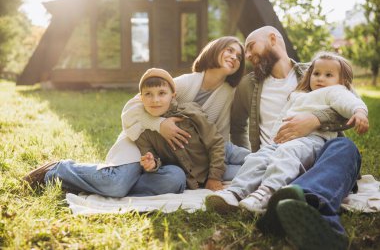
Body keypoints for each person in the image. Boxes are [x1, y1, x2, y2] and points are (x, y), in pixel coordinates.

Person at [23, 36, 249, 197]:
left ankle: (90, 184)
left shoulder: (228, 94)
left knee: (225, 172)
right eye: (229, 49)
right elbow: (132, 108)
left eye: (238, 55)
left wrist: (213, 173)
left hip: (179, 156)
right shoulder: (181, 83)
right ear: (214, 50)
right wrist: (159, 125)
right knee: (116, 185)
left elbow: (221, 134)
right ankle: (62, 169)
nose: (233, 56)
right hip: (141, 138)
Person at [206, 26, 363, 249]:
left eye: (250, 48)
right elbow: (238, 126)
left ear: (272, 39)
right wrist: (255, 158)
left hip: (320, 153)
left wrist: (315, 120)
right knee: (267, 159)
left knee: (346, 147)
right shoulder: (248, 85)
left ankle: (293, 202)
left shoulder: (317, 71)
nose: (247, 56)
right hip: (274, 156)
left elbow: (351, 108)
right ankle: (294, 203)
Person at [135, 68, 250, 191]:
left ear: (173, 95)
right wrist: (152, 164)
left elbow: (216, 143)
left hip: (222, 152)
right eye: (148, 94)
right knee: (251, 173)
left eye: (162, 93)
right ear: (141, 98)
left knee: (257, 159)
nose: (155, 100)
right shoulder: (144, 134)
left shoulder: (189, 112)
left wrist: (214, 178)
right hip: (205, 172)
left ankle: (272, 157)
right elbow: (155, 160)